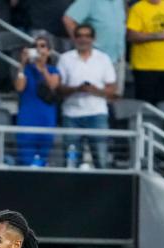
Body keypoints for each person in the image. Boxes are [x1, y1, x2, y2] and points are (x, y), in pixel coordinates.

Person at [57, 23, 116, 169]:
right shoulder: (65, 58)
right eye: (79, 36)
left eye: (87, 36)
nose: (83, 39)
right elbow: (58, 89)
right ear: (74, 38)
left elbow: (112, 91)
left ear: (93, 39)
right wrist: (77, 89)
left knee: (101, 161)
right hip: (71, 115)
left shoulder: (103, 58)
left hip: (97, 114)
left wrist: (95, 90)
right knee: (70, 164)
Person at [14, 34, 60, 167]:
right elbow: (19, 86)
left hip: (46, 118)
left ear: (49, 51)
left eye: (43, 46)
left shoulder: (53, 70)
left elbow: (52, 85)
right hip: (28, 118)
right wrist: (22, 63)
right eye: (36, 46)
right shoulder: (26, 70)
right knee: (26, 159)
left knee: (43, 159)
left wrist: (43, 68)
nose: (39, 50)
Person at [126, 0, 164, 105]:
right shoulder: (138, 8)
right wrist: (157, 36)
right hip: (144, 66)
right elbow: (131, 36)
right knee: (145, 105)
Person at [62, 0, 127, 70]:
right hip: (95, 60)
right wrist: (82, 44)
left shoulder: (119, 1)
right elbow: (68, 20)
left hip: (118, 58)